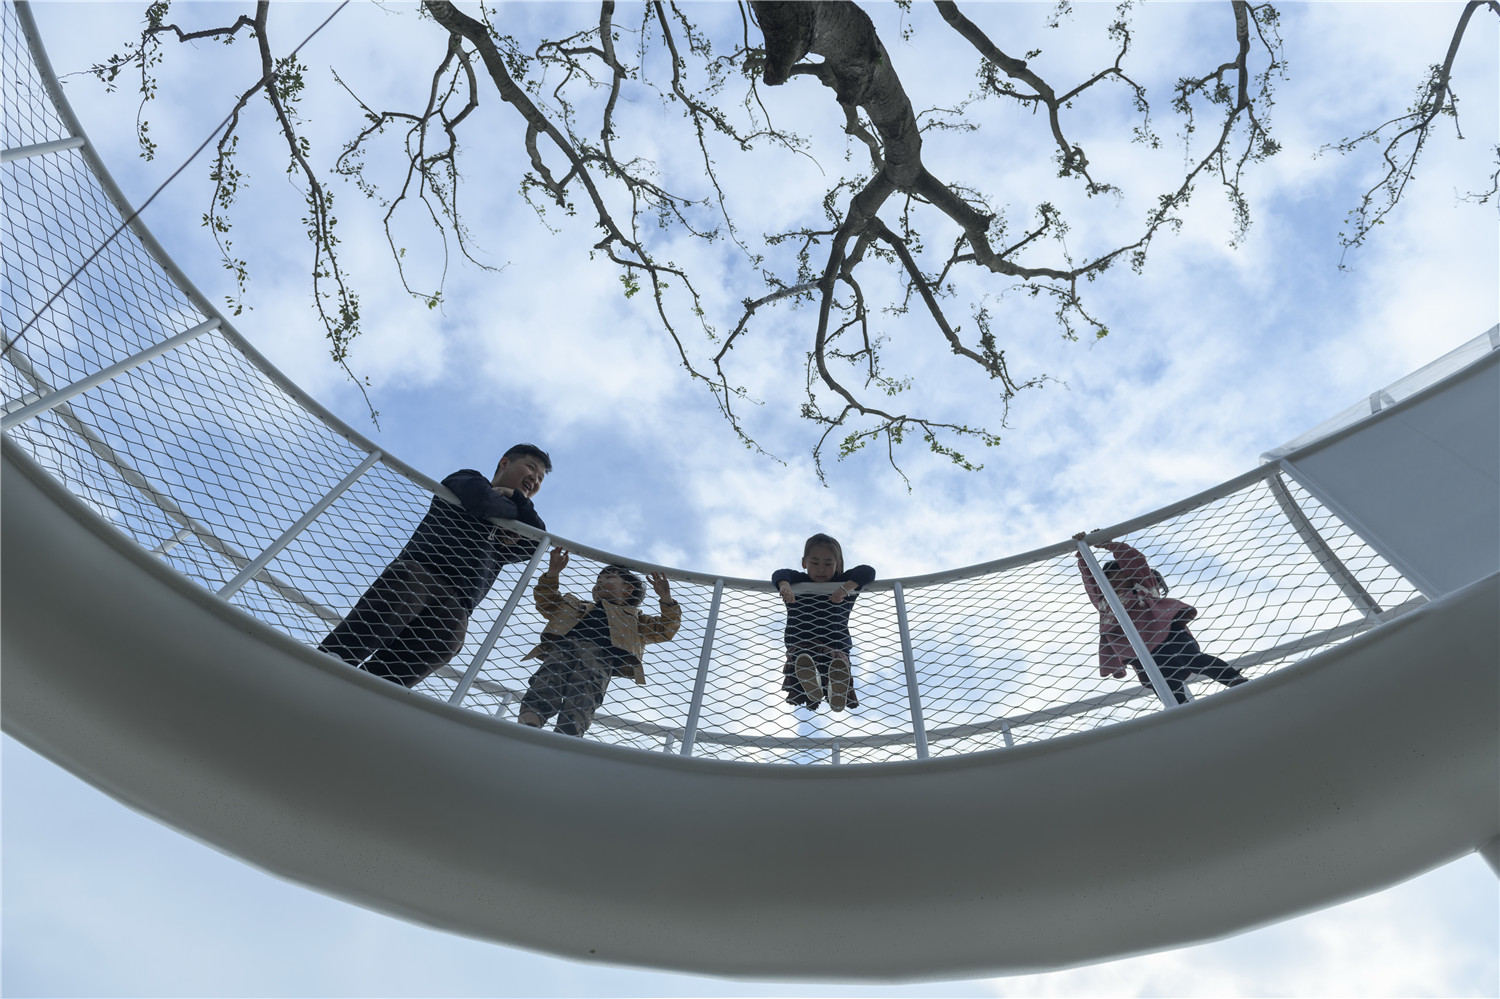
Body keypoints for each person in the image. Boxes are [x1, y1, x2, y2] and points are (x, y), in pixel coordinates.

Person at [318, 444, 551, 687]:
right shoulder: (468, 479)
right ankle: (335, 657)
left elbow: (536, 543)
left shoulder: (519, 522)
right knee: (400, 595)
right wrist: (514, 511)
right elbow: (480, 500)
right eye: (531, 468)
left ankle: (372, 690)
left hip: (459, 602)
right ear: (504, 463)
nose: (534, 479)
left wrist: (516, 499)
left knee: (448, 638)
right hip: (423, 571)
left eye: (540, 479)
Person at [517, 549, 681, 737]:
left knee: (585, 692)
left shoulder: (636, 619)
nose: (600, 582)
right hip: (564, 647)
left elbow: (664, 629)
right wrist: (553, 572)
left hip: (601, 656)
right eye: (597, 580)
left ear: (628, 590)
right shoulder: (574, 605)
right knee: (547, 680)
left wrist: (666, 598)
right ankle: (530, 721)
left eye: (609, 578)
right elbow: (547, 601)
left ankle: (567, 734)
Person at [1073, 533, 1248, 704]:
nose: (1113, 579)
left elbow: (1135, 561)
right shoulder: (1105, 602)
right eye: (1108, 577)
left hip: (1167, 634)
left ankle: (1234, 679)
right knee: (1162, 681)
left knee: (1192, 659)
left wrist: (1110, 545)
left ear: (1128, 573)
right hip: (1140, 649)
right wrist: (1083, 553)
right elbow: (1091, 581)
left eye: (1117, 573)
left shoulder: (1143, 585)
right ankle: (1181, 708)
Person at [772, 533, 876, 712]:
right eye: (815, 563)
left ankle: (835, 688)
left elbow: (868, 571)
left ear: (837, 564)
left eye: (828, 564)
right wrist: (785, 586)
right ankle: (811, 682)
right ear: (804, 563)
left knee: (836, 664)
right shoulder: (799, 581)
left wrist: (843, 590)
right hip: (802, 642)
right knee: (803, 658)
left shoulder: (842, 583)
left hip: (834, 644)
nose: (821, 569)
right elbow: (780, 574)